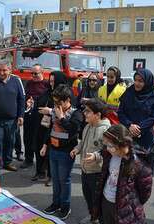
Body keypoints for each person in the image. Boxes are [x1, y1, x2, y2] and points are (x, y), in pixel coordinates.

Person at [92, 124, 153, 224]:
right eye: (106, 145)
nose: (107, 148)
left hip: (126, 210)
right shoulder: (110, 154)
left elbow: (145, 192)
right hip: (107, 201)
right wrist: (95, 156)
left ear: (123, 144)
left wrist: (131, 202)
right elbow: (102, 153)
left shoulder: (139, 163)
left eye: (111, 146)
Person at [40, 84, 83, 220]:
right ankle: (55, 203)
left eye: (59, 102)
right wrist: (45, 145)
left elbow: (73, 129)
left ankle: (65, 206)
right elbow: (50, 129)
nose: (56, 105)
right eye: (55, 102)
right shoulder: (55, 111)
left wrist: (62, 117)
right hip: (53, 149)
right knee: (56, 180)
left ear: (68, 100)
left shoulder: (76, 113)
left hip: (66, 152)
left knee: (64, 180)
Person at [70, 98, 111, 224]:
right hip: (85, 170)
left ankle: (99, 219)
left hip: (97, 173)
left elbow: (107, 151)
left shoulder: (106, 130)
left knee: (97, 200)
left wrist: (95, 156)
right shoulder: (88, 126)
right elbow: (82, 142)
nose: (84, 113)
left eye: (88, 111)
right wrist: (77, 149)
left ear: (98, 115)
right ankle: (93, 217)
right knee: (88, 197)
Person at [117, 68, 154, 169]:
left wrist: (138, 128)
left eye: (140, 81)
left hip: (145, 138)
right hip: (127, 136)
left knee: (144, 170)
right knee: (126, 169)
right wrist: (129, 125)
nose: (137, 83)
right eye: (135, 80)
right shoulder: (128, 93)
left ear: (147, 82)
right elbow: (121, 112)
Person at [35, 71, 68, 184]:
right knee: (40, 146)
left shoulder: (65, 94)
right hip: (43, 124)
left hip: (57, 126)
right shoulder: (47, 91)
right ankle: (40, 171)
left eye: (54, 82)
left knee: (51, 150)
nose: (51, 84)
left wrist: (50, 111)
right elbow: (40, 102)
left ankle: (50, 175)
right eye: (50, 81)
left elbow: (67, 111)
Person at [21, 64, 49, 169]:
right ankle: (28, 159)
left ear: (42, 72)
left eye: (35, 73)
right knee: (27, 137)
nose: (33, 75)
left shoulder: (46, 84)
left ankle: (41, 162)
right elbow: (25, 96)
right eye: (31, 73)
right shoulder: (29, 83)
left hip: (41, 116)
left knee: (40, 139)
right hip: (29, 114)